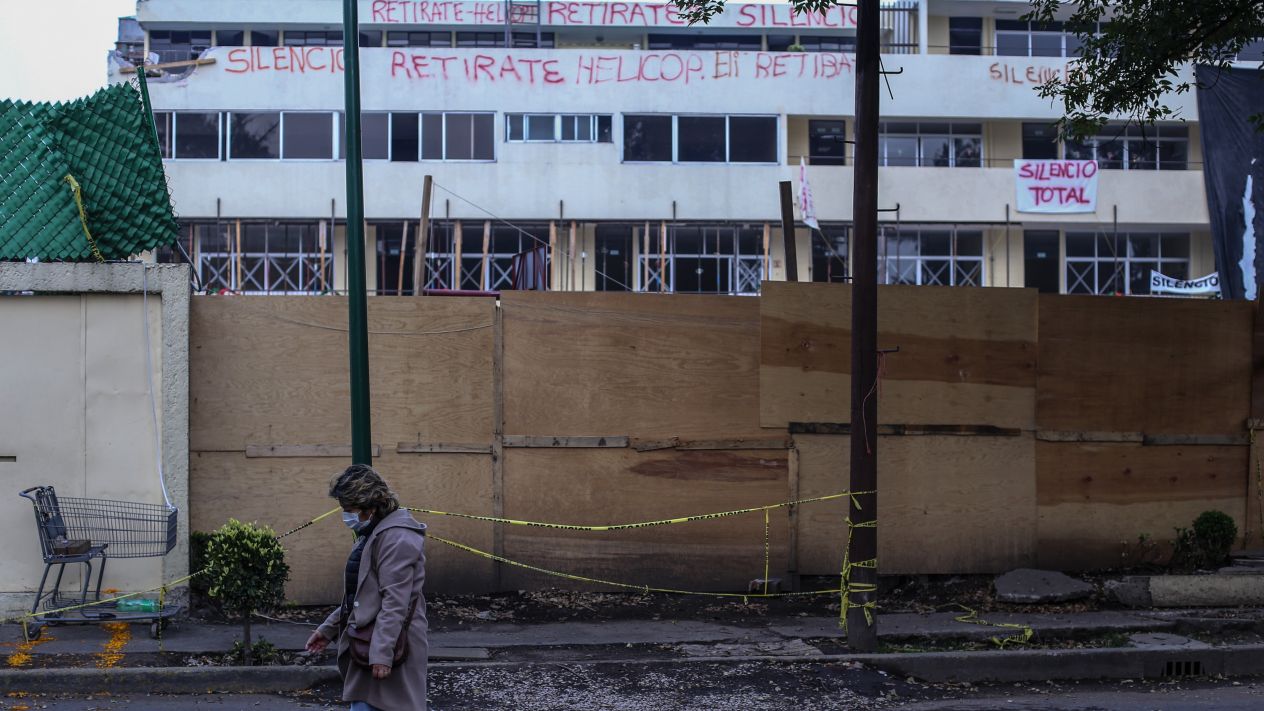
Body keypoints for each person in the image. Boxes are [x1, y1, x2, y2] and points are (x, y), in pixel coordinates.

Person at [306, 465, 428, 711]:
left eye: (348, 510)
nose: (346, 516)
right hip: (375, 641)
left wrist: (382, 654)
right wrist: (329, 629)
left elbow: (395, 601)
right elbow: (362, 593)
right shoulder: (376, 532)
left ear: (368, 505)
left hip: (388, 644)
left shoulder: (395, 537)